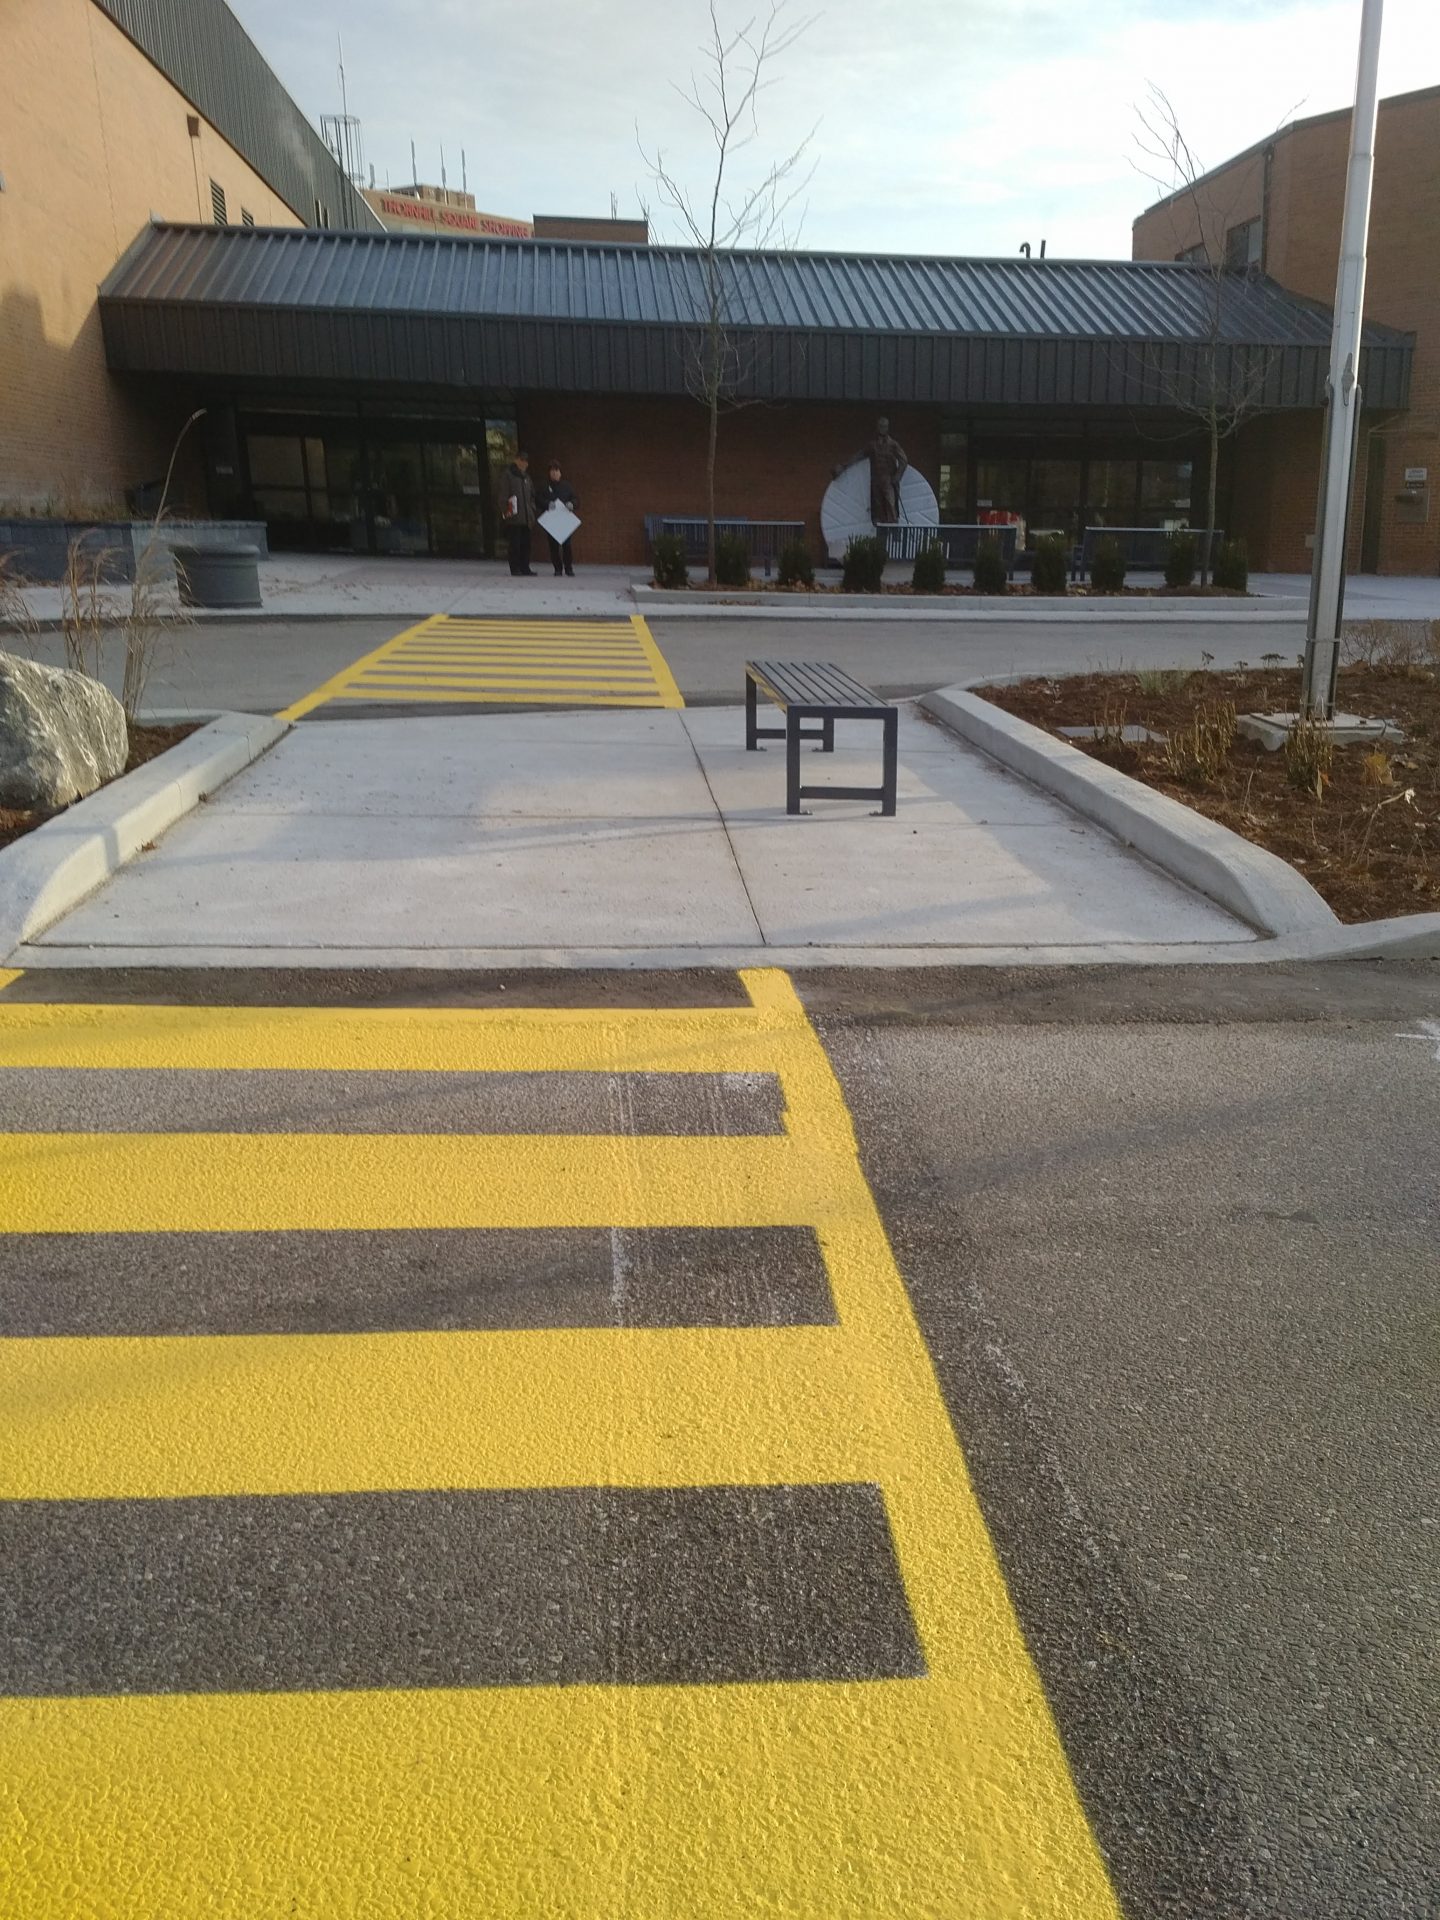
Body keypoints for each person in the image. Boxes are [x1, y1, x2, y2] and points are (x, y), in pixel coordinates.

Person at [536, 459, 578, 576]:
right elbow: (538, 500)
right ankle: (557, 569)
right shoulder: (544, 486)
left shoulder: (567, 486)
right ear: (549, 473)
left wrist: (572, 504)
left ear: (560, 473)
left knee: (567, 546)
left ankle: (568, 568)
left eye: (556, 471)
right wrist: (547, 504)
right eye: (552, 471)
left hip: (564, 521)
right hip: (552, 522)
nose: (554, 473)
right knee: (553, 546)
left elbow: (575, 499)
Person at [499, 450, 537, 575]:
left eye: (526, 461)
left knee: (526, 544)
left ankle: (525, 567)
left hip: (526, 517)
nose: (526, 464)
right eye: (523, 461)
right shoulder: (508, 475)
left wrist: (532, 509)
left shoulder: (526, 477)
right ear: (517, 460)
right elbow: (503, 495)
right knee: (515, 544)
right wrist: (506, 511)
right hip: (514, 517)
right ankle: (515, 568)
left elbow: (532, 495)